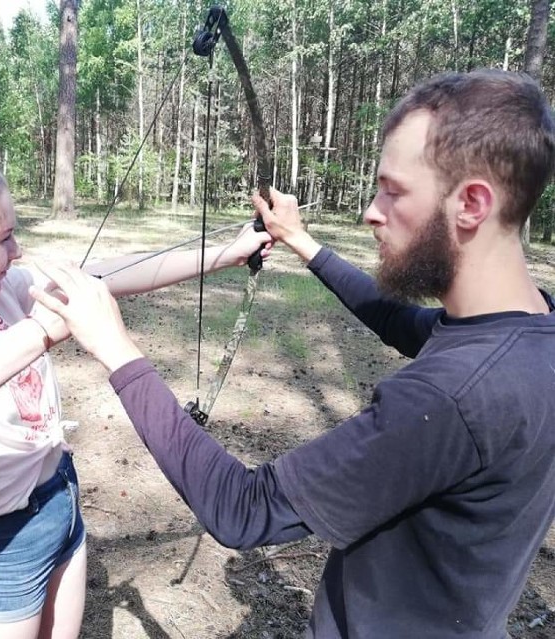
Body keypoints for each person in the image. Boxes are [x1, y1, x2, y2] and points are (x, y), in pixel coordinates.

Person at [29, 69, 555, 638]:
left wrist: (117, 348)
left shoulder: (447, 399)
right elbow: (402, 322)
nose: (371, 212)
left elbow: (243, 508)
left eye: (393, 190)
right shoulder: (528, 331)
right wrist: (300, 239)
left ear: (472, 203)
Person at [0, 133, 272, 638]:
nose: (18, 248)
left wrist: (227, 252)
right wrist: (38, 334)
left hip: (60, 502)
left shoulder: (3, 288)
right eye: (3, 238)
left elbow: (111, 273)